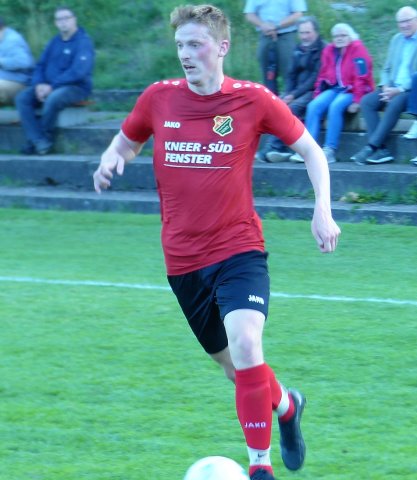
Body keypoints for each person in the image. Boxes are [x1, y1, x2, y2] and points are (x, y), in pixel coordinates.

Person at [93, 5, 341, 480]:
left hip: (238, 250)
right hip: (183, 262)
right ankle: (288, 407)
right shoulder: (159, 98)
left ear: (222, 47)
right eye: (180, 45)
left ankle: (260, 468)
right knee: (236, 370)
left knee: (247, 345)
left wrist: (322, 209)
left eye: (196, 44)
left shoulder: (253, 100)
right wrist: (110, 159)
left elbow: (312, 151)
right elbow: (127, 141)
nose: (186, 54)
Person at [290, 23, 374, 164]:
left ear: (350, 36)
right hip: (336, 88)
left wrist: (357, 100)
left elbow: (362, 76)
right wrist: (317, 94)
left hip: (355, 89)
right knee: (314, 105)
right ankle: (307, 149)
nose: (339, 38)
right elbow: (322, 75)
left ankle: (330, 150)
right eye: (336, 36)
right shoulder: (329, 50)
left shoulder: (358, 48)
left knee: (335, 106)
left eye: (343, 35)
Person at [15, 6, 94, 155]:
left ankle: (43, 138)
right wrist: (38, 84)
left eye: (66, 18)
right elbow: (40, 65)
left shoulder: (83, 42)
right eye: (59, 19)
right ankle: (39, 141)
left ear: (74, 20)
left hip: (75, 87)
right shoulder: (54, 42)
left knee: (53, 98)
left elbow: (78, 72)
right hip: (48, 86)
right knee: (22, 98)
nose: (63, 22)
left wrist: (51, 86)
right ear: (56, 23)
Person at [351, 6, 417, 165]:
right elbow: (387, 68)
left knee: (395, 103)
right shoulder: (396, 40)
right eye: (400, 22)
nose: (404, 25)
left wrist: (398, 90)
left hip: (410, 91)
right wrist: (385, 86)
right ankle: (382, 150)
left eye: (408, 21)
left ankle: (371, 146)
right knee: (367, 101)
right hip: (391, 87)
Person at [256, 15, 326, 163]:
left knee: (290, 108)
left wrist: (293, 95)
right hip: (297, 91)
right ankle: (275, 147)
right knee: (276, 105)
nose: (304, 36)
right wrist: (287, 93)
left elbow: (315, 78)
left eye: (307, 33)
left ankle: (275, 147)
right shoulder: (298, 48)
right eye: (301, 33)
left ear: (316, 32)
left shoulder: (323, 49)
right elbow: (291, 74)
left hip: (315, 90)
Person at [244, 0, 307, 95]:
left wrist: (277, 26)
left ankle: (291, 100)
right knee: (267, 73)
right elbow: (249, 14)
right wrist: (263, 25)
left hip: (286, 35)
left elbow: (298, 14)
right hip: (265, 35)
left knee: (290, 71)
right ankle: (270, 100)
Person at [0, 17, 34, 105]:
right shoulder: (2, 38)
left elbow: (25, 62)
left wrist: (1, 61)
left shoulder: (13, 40)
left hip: (19, 83)